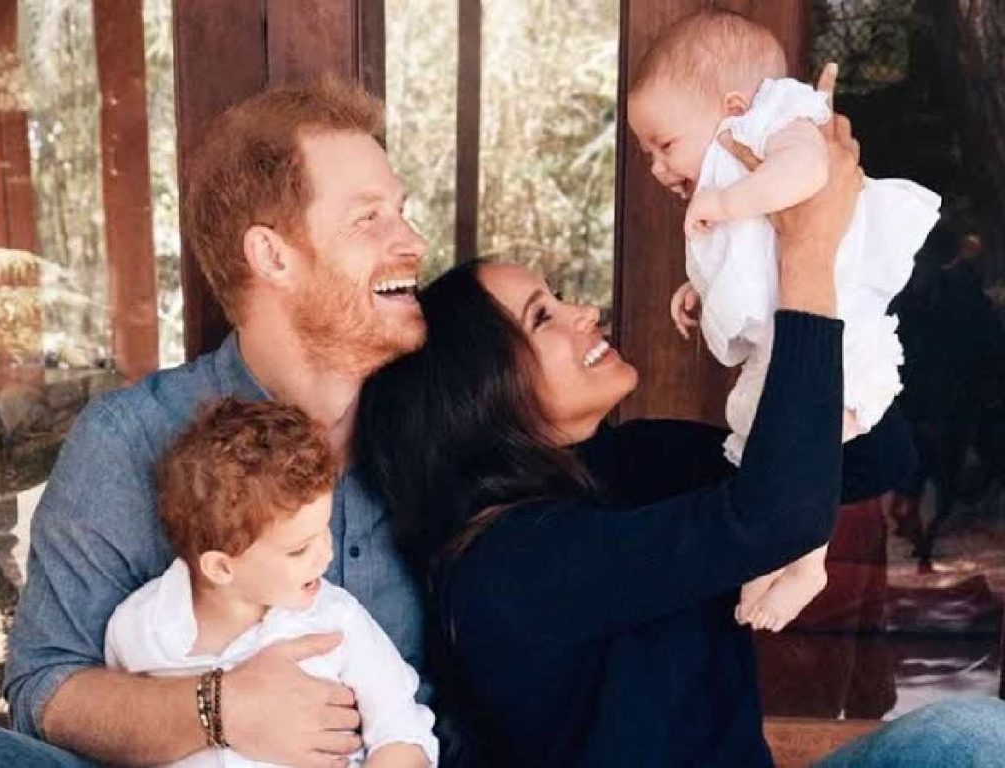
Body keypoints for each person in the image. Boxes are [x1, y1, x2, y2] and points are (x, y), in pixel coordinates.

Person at [353, 76, 1005, 766]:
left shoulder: (637, 460)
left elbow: (876, 459)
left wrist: (789, 282)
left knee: (972, 738)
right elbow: (776, 518)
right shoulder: (507, 567)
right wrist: (803, 256)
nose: (586, 314)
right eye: (543, 316)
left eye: (560, 297)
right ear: (478, 393)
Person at [0, 75, 428, 767]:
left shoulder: (434, 427)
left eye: (402, 211)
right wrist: (220, 708)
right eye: (369, 217)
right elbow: (42, 690)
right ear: (272, 256)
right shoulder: (129, 440)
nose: (413, 240)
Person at [626, 9, 941, 631]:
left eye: (666, 145)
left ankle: (806, 563)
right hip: (794, 330)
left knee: (805, 443)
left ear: (734, 105)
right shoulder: (737, 162)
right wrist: (700, 286)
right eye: (647, 155)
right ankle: (776, 553)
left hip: (840, 329)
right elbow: (756, 255)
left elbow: (808, 173)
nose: (660, 169)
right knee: (764, 440)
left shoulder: (782, 121)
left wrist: (725, 200)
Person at [105, 398, 438, 767]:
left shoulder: (335, 621)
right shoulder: (137, 629)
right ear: (221, 568)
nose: (325, 555)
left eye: (324, 530)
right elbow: (118, 740)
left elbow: (400, 727)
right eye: (298, 550)